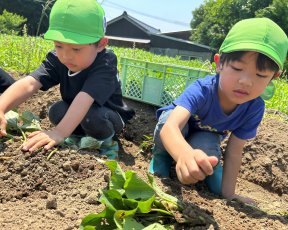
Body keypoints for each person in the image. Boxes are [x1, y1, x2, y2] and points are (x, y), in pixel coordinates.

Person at [148, 17, 288, 205]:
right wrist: (182, 154)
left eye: (260, 75)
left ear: (273, 77)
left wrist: (229, 194)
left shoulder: (254, 108)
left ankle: (202, 164)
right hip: (180, 128)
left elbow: (235, 152)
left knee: (216, 185)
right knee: (167, 121)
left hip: (206, 135)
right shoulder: (203, 89)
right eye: (237, 68)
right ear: (219, 63)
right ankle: (162, 157)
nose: (246, 81)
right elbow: (170, 127)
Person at [0, 0, 134, 159]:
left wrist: (59, 132)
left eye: (76, 49)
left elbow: (85, 98)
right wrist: (1, 107)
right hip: (79, 112)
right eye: (59, 46)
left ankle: (107, 143)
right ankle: (78, 137)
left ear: (100, 44)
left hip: (108, 116)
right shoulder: (58, 59)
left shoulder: (106, 62)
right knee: (56, 111)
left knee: (92, 116)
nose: (65, 55)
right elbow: (30, 82)